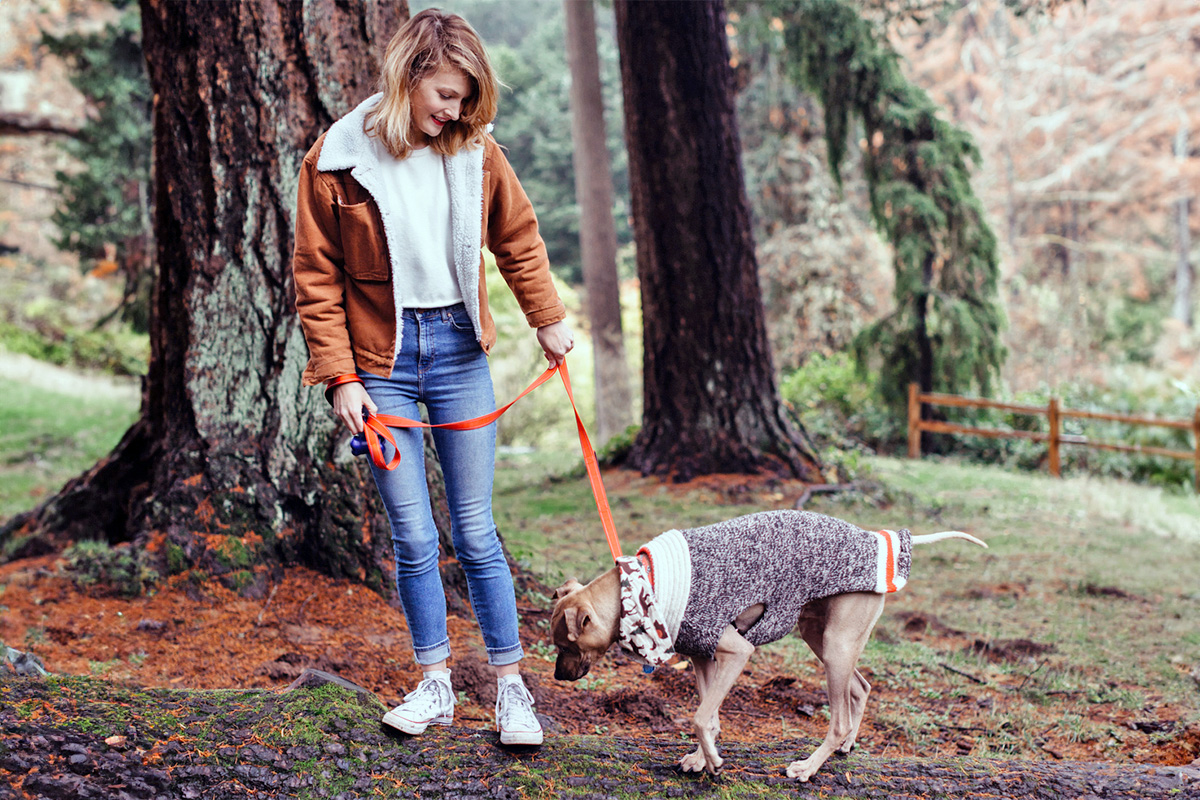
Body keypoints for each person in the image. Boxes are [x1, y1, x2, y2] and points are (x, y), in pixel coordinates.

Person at [291, 8, 573, 747]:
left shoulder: (477, 152)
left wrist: (545, 317)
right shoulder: (335, 159)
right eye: (446, 94)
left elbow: (518, 238)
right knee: (413, 535)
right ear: (409, 75)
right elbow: (315, 278)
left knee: (475, 531)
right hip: (379, 364)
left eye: (465, 99)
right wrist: (340, 378)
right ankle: (435, 684)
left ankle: (512, 690)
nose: (454, 111)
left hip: (458, 351)